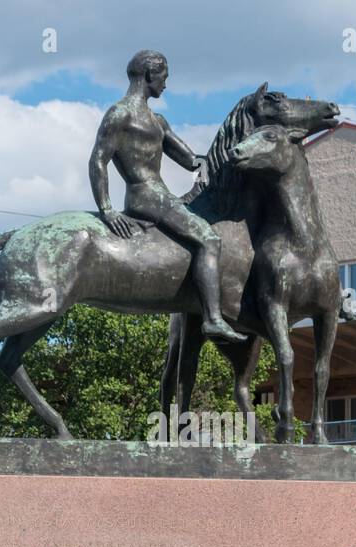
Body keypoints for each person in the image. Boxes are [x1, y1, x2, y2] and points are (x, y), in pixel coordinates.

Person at [88, 49, 245, 343]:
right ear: (150, 74)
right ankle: (212, 319)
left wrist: (231, 160)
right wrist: (106, 209)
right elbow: (98, 160)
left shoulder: (158, 121)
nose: (166, 84)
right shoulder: (120, 114)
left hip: (160, 195)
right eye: (164, 77)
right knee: (209, 238)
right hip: (144, 197)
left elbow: (190, 160)